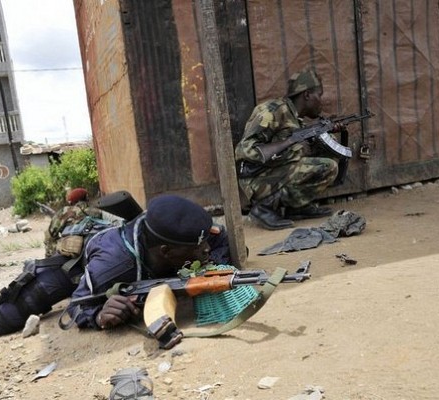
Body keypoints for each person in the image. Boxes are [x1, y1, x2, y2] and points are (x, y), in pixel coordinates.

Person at [66, 194, 230, 330]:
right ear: (166, 251)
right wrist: (99, 316)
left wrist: (209, 272)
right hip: (87, 254)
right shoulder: (114, 266)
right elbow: (76, 305)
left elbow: (221, 238)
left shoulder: (187, 235)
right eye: (197, 248)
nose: (207, 248)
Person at [235, 67, 340, 230]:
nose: (322, 101)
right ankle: (263, 207)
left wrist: (325, 135)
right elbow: (244, 150)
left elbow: (299, 150)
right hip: (255, 179)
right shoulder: (272, 112)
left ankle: (296, 207)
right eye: (319, 95)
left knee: (329, 160)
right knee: (327, 165)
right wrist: (290, 146)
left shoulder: (295, 118)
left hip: (275, 173)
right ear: (306, 95)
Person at [44, 188, 102, 257]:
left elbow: (52, 232)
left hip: (73, 249)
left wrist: (50, 252)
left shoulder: (66, 211)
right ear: (86, 198)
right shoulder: (97, 211)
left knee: (48, 234)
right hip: (94, 245)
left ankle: (50, 258)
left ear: (71, 201)